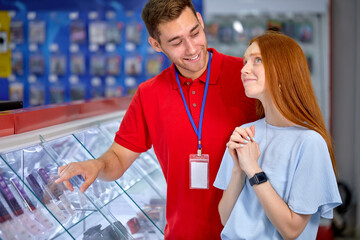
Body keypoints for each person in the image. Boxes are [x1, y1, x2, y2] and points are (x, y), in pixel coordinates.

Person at [55, 0, 257, 239]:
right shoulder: (150, 93)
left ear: (201, 22)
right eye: (176, 42)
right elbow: (119, 157)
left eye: (195, 33)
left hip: (247, 233)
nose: (192, 48)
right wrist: (97, 165)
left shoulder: (247, 77)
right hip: (183, 234)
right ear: (156, 44)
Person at [214, 31, 342, 239]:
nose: (244, 69)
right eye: (245, 61)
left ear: (283, 70)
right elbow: (225, 218)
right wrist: (238, 169)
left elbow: (291, 230)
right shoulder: (245, 133)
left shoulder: (309, 143)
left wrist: (253, 169)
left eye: (257, 60)